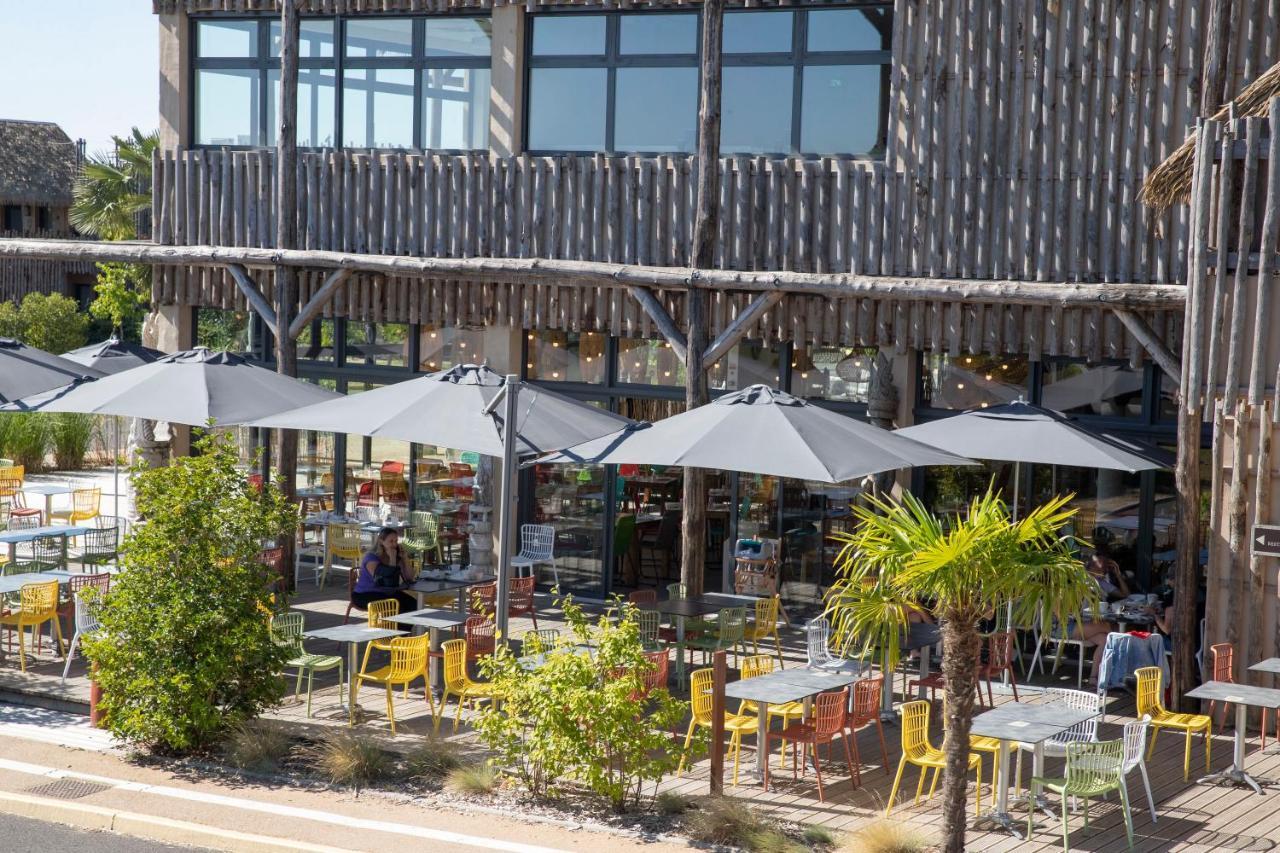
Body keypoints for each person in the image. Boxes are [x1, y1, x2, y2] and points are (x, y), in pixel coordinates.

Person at [351, 527, 418, 615]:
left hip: (386, 593)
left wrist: (405, 558)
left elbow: (409, 577)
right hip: (365, 594)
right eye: (391, 541)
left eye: (396, 541)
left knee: (414, 604)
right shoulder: (371, 558)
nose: (394, 544)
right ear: (381, 541)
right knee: (397, 607)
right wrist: (393, 559)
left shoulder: (395, 554)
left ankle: (402, 628)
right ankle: (392, 628)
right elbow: (386, 582)